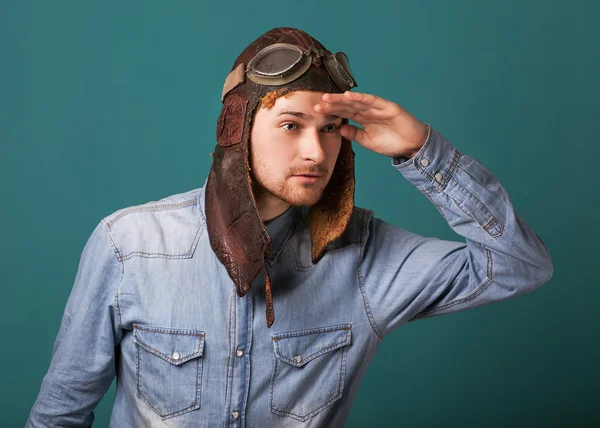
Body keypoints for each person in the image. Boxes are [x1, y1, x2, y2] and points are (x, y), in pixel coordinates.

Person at [27, 27, 553, 427]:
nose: (315, 151)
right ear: (237, 128)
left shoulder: (365, 257)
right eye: (290, 125)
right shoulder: (129, 245)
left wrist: (423, 152)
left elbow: (517, 265)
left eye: (329, 130)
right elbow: (60, 414)